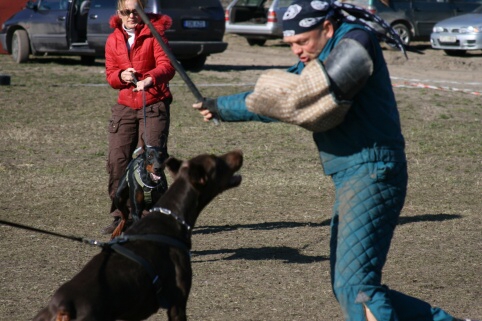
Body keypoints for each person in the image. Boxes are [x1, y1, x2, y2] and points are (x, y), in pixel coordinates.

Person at [193, 1, 478, 321]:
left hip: (373, 170)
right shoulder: (319, 56)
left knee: (357, 287)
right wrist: (219, 106)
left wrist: (225, 107)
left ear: (326, 28)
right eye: (290, 44)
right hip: (353, 173)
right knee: (349, 284)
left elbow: (299, 101)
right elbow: (280, 99)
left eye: (302, 41)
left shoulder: (357, 42)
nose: (297, 51)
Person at [102, 0, 175, 234]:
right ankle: (121, 215)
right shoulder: (113, 38)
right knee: (117, 161)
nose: (131, 16)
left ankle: (147, 218)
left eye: (136, 11)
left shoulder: (156, 33)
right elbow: (110, 74)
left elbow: (167, 66)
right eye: (126, 12)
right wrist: (121, 75)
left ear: (144, 11)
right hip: (125, 104)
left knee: (149, 162)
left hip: (153, 103)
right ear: (119, 13)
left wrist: (150, 79)